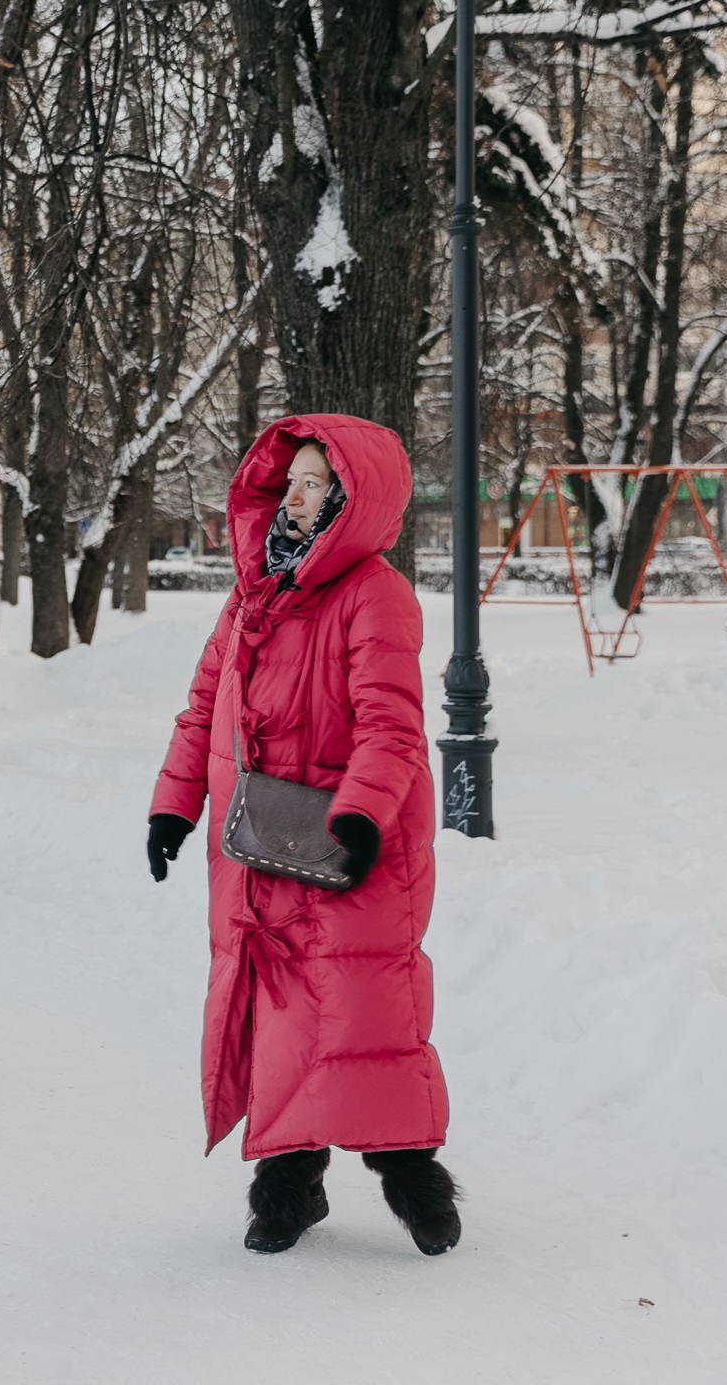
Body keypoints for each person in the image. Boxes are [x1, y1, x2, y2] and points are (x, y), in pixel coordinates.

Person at [146, 415, 457, 1259]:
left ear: (354, 499)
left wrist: (357, 815)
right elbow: (204, 707)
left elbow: (389, 728)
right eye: (292, 480)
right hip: (259, 842)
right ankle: (288, 1188)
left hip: (351, 840)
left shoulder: (373, 593)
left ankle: (411, 1174)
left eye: (317, 483)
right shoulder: (253, 591)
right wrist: (171, 807)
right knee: (279, 1015)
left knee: (364, 1013)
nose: (296, 496)